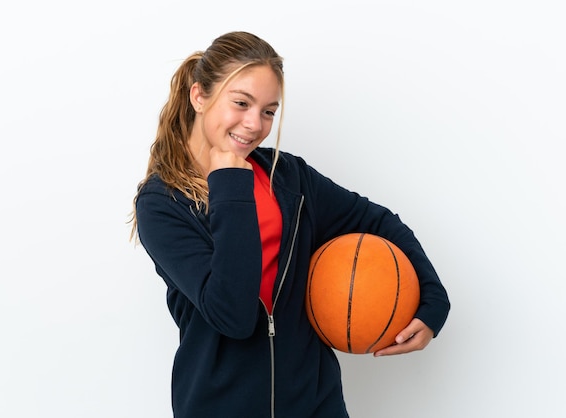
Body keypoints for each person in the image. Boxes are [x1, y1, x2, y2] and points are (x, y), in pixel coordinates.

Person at [130, 31, 450, 418]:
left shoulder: (289, 178)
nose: (254, 124)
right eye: (241, 103)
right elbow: (232, 314)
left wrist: (433, 302)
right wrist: (231, 184)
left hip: (315, 403)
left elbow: (377, 220)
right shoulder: (162, 204)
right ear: (199, 96)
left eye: (268, 111)